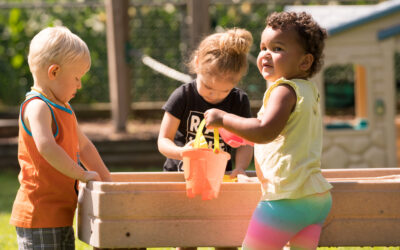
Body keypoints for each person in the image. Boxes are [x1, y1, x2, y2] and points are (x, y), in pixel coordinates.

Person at [204, 12, 333, 250]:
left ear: (305, 62)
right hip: (316, 199)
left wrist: (224, 117)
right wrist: (242, 134)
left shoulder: (284, 90)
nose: (265, 54)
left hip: (286, 200)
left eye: (277, 48)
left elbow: (265, 131)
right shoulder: (308, 90)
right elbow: (284, 135)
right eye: (264, 47)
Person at [9, 26, 112, 250]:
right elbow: (46, 147)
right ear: (54, 72)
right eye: (76, 78)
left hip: (61, 212)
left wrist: (108, 181)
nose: (79, 85)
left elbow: (84, 146)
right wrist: (82, 174)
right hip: (40, 214)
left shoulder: (64, 108)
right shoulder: (37, 107)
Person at [157, 28, 254, 250]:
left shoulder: (239, 100)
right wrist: (182, 152)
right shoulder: (183, 96)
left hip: (219, 182)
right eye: (208, 87)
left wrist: (239, 168)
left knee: (226, 238)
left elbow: (246, 141)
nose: (214, 96)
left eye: (224, 91)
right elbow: (163, 140)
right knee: (187, 238)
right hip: (183, 178)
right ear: (197, 63)